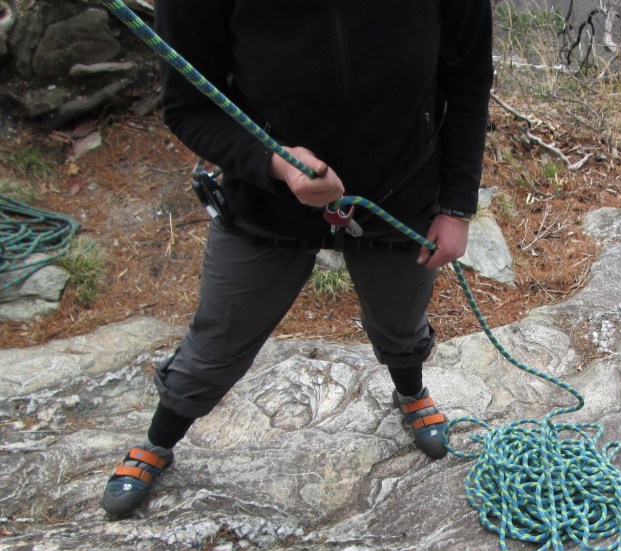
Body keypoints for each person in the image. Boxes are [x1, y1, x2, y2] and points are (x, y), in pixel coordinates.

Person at [101, 0, 494, 518]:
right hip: (266, 198)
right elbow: (189, 106)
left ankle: (411, 391)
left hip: (401, 190)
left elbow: (467, 82)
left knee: (401, 316)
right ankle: (158, 441)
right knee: (220, 335)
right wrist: (274, 164)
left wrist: (457, 207)